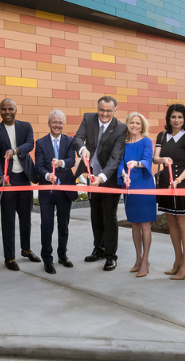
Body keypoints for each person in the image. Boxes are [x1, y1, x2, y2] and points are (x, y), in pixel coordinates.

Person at [73, 96, 127, 271]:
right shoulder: (89, 118)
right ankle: (99, 249)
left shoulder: (120, 128)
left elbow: (116, 158)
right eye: (101, 109)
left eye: (108, 110)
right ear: (97, 108)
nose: (104, 113)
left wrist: (101, 177)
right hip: (91, 176)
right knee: (95, 215)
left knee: (109, 217)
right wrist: (82, 149)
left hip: (108, 179)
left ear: (114, 111)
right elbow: (78, 138)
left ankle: (111, 255)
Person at [0, 98, 40, 271]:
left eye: (10, 109)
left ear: (16, 109)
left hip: (24, 177)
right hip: (8, 180)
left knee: (26, 218)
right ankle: (9, 257)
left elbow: (30, 144)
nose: (7, 112)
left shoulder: (26, 126)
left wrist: (16, 150)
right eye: (3, 109)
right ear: (0, 111)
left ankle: (25, 249)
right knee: (8, 220)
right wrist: (1, 177)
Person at [153, 104, 185, 281]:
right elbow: (155, 157)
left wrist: (178, 181)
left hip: (183, 182)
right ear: (168, 118)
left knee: (182, 223)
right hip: (166, 182)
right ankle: (178, 260)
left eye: (180, 117)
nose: (177, 120)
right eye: (173, 116)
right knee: (170, 221)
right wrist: (162, 159)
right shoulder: (162, 135)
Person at [35, 110, 78, 274]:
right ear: (49, 123)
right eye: (54, 122)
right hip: (47, 190)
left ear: (63, 124)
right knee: (47, 225)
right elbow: (38, 165)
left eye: (60, 122)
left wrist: (60, 163)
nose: (57, 125)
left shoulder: (69, 141)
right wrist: (47, 175)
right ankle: (47, 259)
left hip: (64, 190)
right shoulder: (40, 143)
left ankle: (62, 255)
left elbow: (72, 160)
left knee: (63, 225)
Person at [118, 112, 156, 278]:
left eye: (138, 123)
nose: (134, 125)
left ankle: (145, 259)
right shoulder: (122, 144)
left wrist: (136, 164)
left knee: (145, 225)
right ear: (127, 124)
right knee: (133, 223)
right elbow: (119, 163)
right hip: (129, 186)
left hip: (144, 184)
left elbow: (148, 160)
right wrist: (123, 174)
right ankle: (138, 258)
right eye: (132, 122)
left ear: (142, 126)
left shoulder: (146, 141)